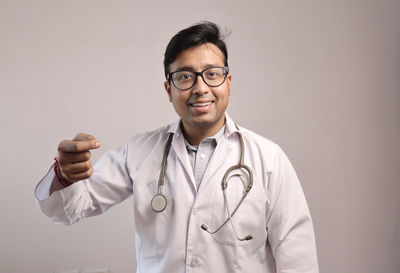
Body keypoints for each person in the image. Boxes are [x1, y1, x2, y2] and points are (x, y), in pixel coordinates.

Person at [35, 21, 319, 273]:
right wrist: (66, 176)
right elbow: (67, 211)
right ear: (168, 89)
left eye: (212, 74)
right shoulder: (140, 151)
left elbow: (297, 255)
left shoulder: (268, 158)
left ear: (228, 83)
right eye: (184, 76)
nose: (200, 88)